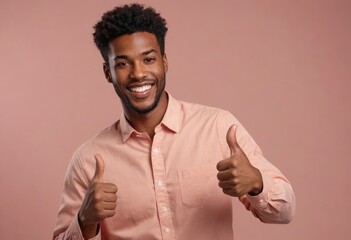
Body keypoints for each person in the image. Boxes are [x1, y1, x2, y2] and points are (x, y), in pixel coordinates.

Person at [53, 3, 295, 240]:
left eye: (148, 59)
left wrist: (256, 183)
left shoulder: (218, 127)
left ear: (164, 62)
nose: (138, 73)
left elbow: (284, 213)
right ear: (108, 72)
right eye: (123, 63)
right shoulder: (88, 160)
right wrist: (84, 221)